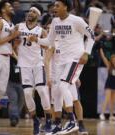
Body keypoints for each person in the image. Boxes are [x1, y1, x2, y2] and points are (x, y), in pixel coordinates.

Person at [28, 0, 95, 134]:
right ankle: (57, 125)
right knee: (57, 92)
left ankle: (72, 121)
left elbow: (91, 36)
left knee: (64, 86)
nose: (54, 8)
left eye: (58, 5)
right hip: (61, 61)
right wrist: (37, 40)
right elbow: (49, 41)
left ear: (66, 7)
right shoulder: (55, 22)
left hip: (75, 59)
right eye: (54, 6)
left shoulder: (77, 20)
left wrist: (86, 53)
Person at [16, 4, 52, 135]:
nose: (30, 13)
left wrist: (37, 40)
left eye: (33, 11)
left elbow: (48, 47)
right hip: (24, 65)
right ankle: (35, 120)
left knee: (42, 91)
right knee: (27, 93)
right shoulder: (18, 27)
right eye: (29, 11)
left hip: (38, 64)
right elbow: (12, 43)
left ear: (38, 15)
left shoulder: (41, 31)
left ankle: (48, 120)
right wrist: (17, 56)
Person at [6, 55, 25, 127]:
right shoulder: (8, 56)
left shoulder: (23, 55)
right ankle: (13, 117)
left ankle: (16, 116)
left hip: (22, 83)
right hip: (10, 82)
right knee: (13, 98)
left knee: (21, 100)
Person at [99, 48, 115, 121]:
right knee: (107, 99)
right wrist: (101, 51)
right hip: (108, 84)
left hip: (114, 85)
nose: (114, 61)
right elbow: (104, 58)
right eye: (113, 59)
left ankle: (111, 115)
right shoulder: (109, 65)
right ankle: (102, 114)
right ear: (111, 60)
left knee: (113, 101)